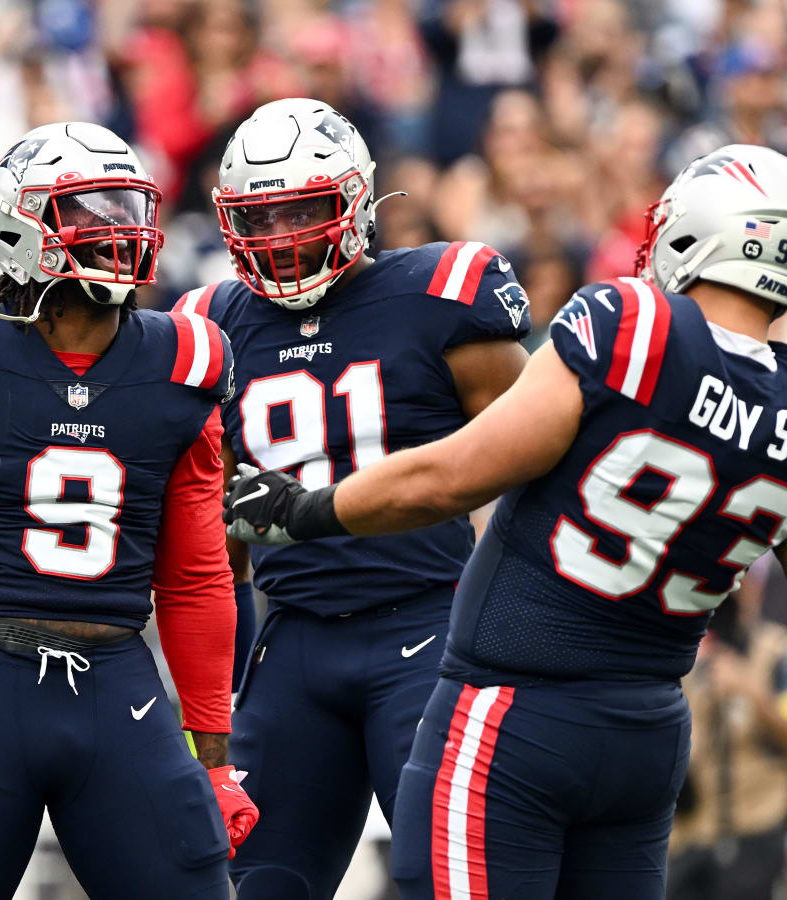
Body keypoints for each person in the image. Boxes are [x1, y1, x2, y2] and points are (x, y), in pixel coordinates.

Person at [224, 144, 787, 899]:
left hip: (513, 718)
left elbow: (446, 478)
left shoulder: (632, 329)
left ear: (696, 235)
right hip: (647, 733)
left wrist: (298, 509)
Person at [0, 121, 258, 898]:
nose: (117, 229)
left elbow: (197, 579)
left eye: (125, 206)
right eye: (88, 211)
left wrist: (218, 759)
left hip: (119, 684)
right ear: (16, 225)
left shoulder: (186, 362)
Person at [175, 97, 531, 898]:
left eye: (300, 211)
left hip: (430, 630)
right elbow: (216, 538)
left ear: (356, 198)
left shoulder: (441, 291)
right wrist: (221, 681)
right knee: (249, 882)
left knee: (449, 879)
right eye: (258, 221)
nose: (281, 239)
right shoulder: (212, 324)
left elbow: (536, 454)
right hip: (292, 645)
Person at [667, 562, 787, 900]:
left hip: (755, 835)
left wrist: (751, 692)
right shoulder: (681, 654)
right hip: (684, 839)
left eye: (742, 583)